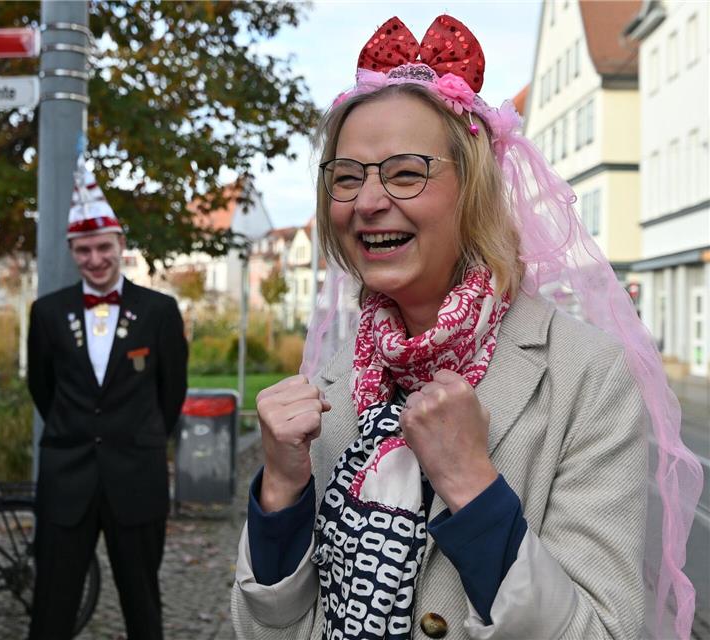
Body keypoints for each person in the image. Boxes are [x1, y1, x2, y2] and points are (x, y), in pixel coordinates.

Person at [231, 14, 702, 640]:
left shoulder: (586, 377)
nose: (368, 202)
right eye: (347, 177)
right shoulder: (337, 374)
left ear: (473, 189)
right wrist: (280, 497)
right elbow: (270, 629)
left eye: (405, 172)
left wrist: (472, 487)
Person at [27, 159, 188, 640]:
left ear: (120, 245)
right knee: (51, 606)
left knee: (142, 604)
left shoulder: (159, 311)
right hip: (66, 479)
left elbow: (171, 394)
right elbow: (42, 388)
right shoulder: (47, 312)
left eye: (103, 247)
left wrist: (139, 436)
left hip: (135, 479)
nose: (95, 259)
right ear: (72, 252)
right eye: (83, 250)